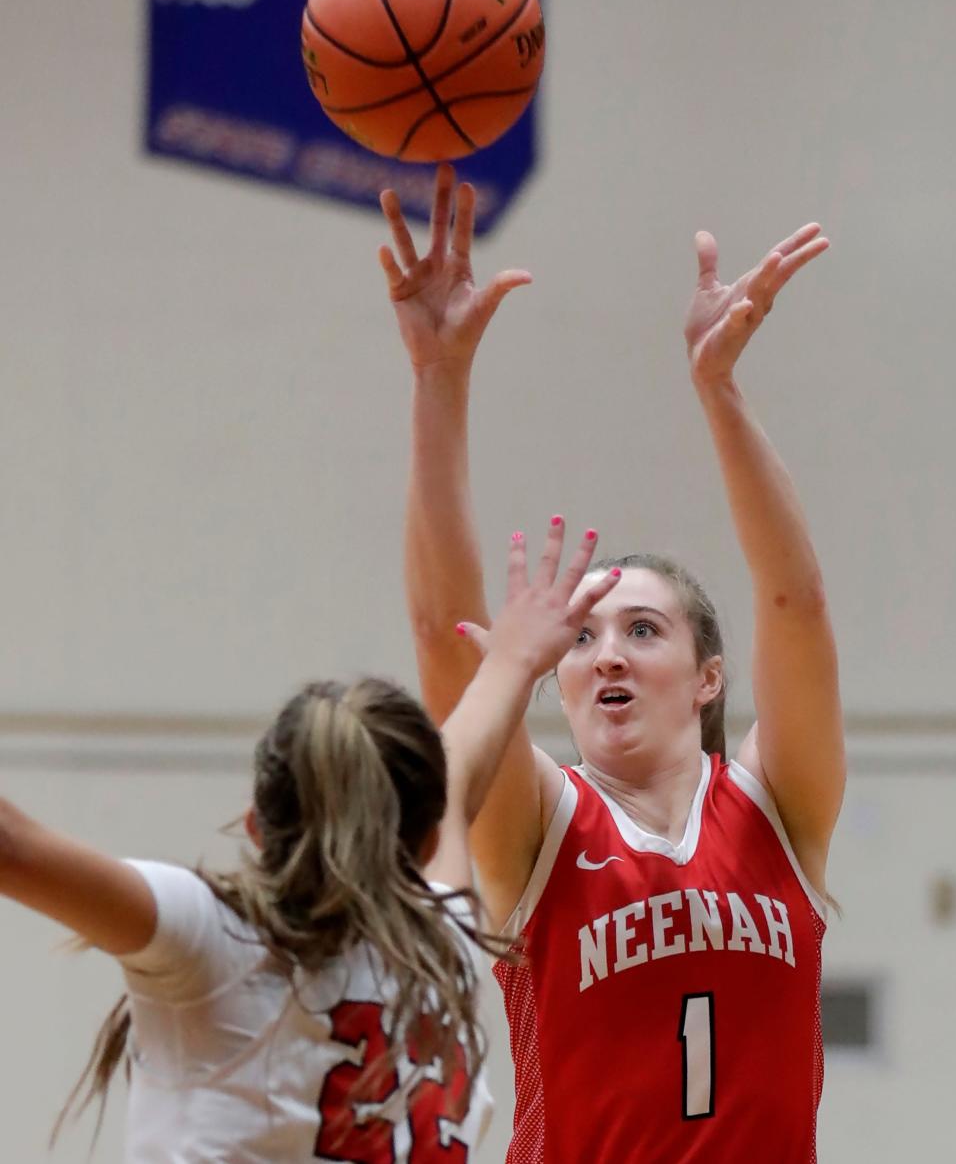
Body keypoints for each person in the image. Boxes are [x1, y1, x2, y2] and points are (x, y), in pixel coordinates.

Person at [379, 165, 846, 1163]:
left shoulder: (780, 807)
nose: (604, 655)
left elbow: (797, 605)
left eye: (643, 628)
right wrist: (438, 382)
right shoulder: (541, 822)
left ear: (709, 676)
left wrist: (719, 390)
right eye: (582, 635)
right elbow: (441, 636)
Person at [0, 520, 618, 1163]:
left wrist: (515, 662)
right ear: (433, 836)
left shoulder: (211, 938)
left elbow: (9, 843)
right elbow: (457, 776)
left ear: (255, 827)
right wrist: (516, 662)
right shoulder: (445, 944)